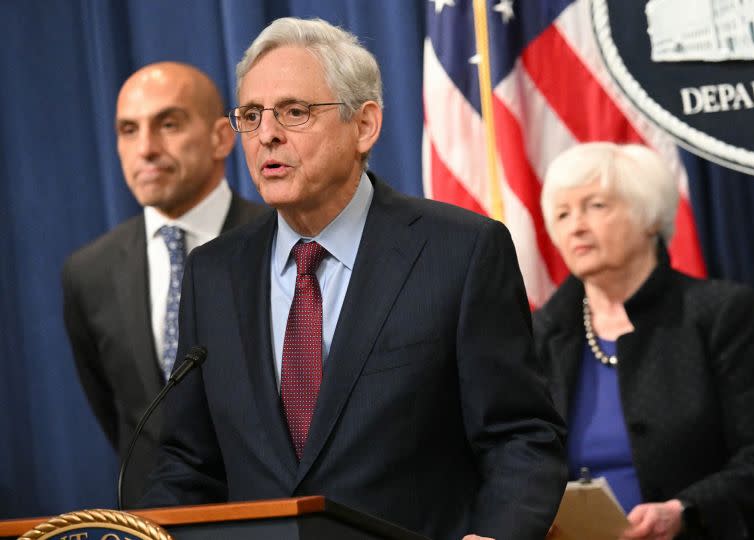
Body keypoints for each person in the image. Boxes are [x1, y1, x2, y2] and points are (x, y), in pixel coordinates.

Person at [139, 17, 566, 540]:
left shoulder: (460, 250)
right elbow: (188, 463)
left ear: (364, 125)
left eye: (294, 112)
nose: (266, 134)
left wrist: (500, 534)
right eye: (251, 115)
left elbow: (520, 434)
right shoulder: (213, 275)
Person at [534, 143, 754, 540]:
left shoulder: (720, 312)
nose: (576, 227)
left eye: (596, 206)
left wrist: (684, 511)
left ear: (649, 218)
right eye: (562, 214)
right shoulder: (544, 333)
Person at [61, 62, 265, 503]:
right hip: (153, 522)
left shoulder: (282, 240)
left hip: (272, 516)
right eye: (128, 130)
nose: (146, 148)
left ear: (221, 138)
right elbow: (121, 414)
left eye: (168, 124)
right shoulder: (88, 271)